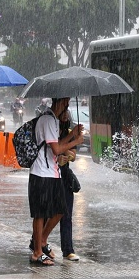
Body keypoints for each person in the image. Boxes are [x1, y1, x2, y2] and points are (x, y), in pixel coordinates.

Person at [29, 97, 84, 266]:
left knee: (60, 209)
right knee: (40, 214)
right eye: (66, 102)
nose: (67, 106)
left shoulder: (53, 120)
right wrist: (75, 141)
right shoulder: (47, 119)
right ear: (60, 102)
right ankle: (37, 252)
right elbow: (56, 149)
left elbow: (58, 144)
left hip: (52, 173)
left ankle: (42, 240)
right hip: (41, 172)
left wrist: (72, 135)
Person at [58, 109, 80, 261]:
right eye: (63, 112)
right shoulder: (51, 130)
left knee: (67, 214)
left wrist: (69, 155)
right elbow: (54, 148)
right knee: (47, 214)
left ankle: (68, 249)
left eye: (67, 112)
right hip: (50, 176)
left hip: (64, 176)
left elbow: (73, 154)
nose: (66, 115)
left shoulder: (69, 131)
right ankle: (38, 244)